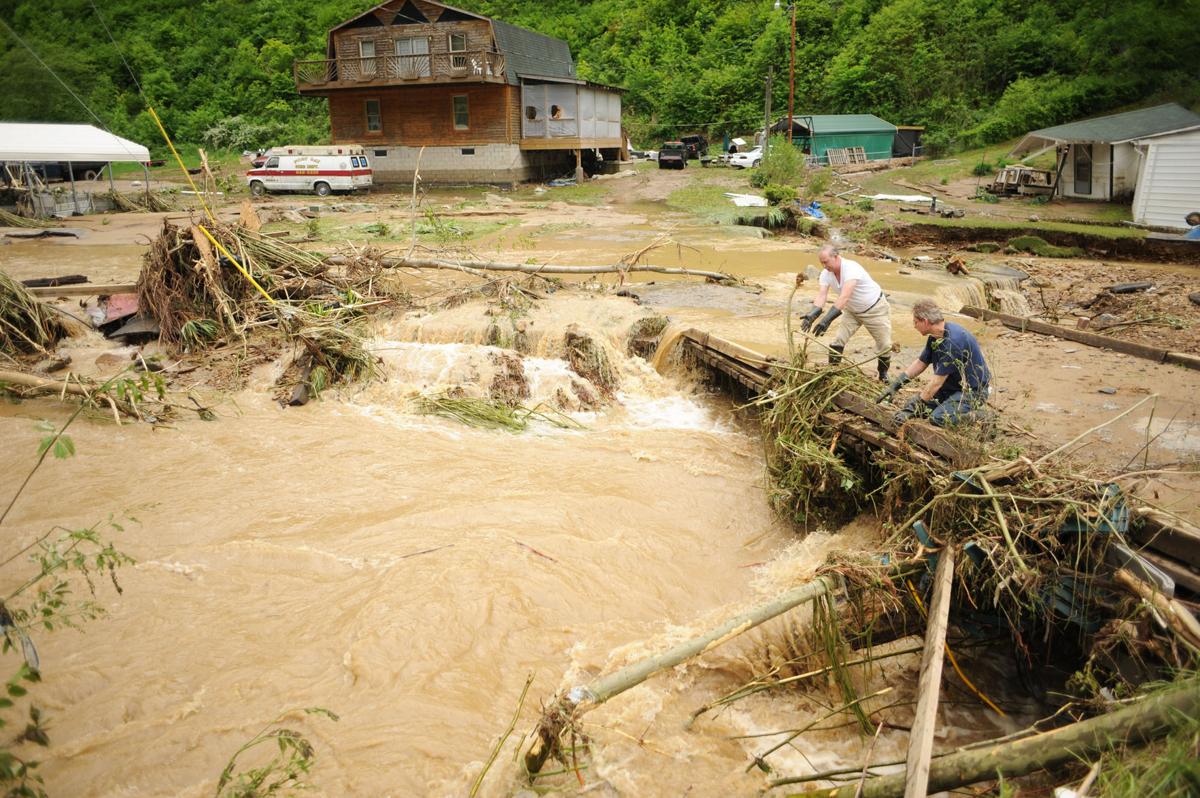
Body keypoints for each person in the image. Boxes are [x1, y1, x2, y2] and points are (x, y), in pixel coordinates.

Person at [876, 298, 991, 427]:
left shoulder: (953, 342)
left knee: (938, 418)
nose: (914, 326)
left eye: (915, 322)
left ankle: (982, 416)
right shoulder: (936, 336)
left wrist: (913, 407)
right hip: (950, 388)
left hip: (971, 392)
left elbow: (937, 382)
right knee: (915, 408)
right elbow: (921, 363)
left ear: (925, 322)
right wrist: (896, 385)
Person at [798, 244, 893, 380]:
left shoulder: (851, 268)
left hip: (874, 309)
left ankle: (883, 375)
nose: (824, 266)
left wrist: (826, 321)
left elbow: (844, 297)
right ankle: (832, 372)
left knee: (884, 344)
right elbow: (821, 296)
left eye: (826, 262)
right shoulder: (826, 274)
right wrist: (812, 315)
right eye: (821, 263)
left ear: (836, 257)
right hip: (852, 310)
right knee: (838, 340)